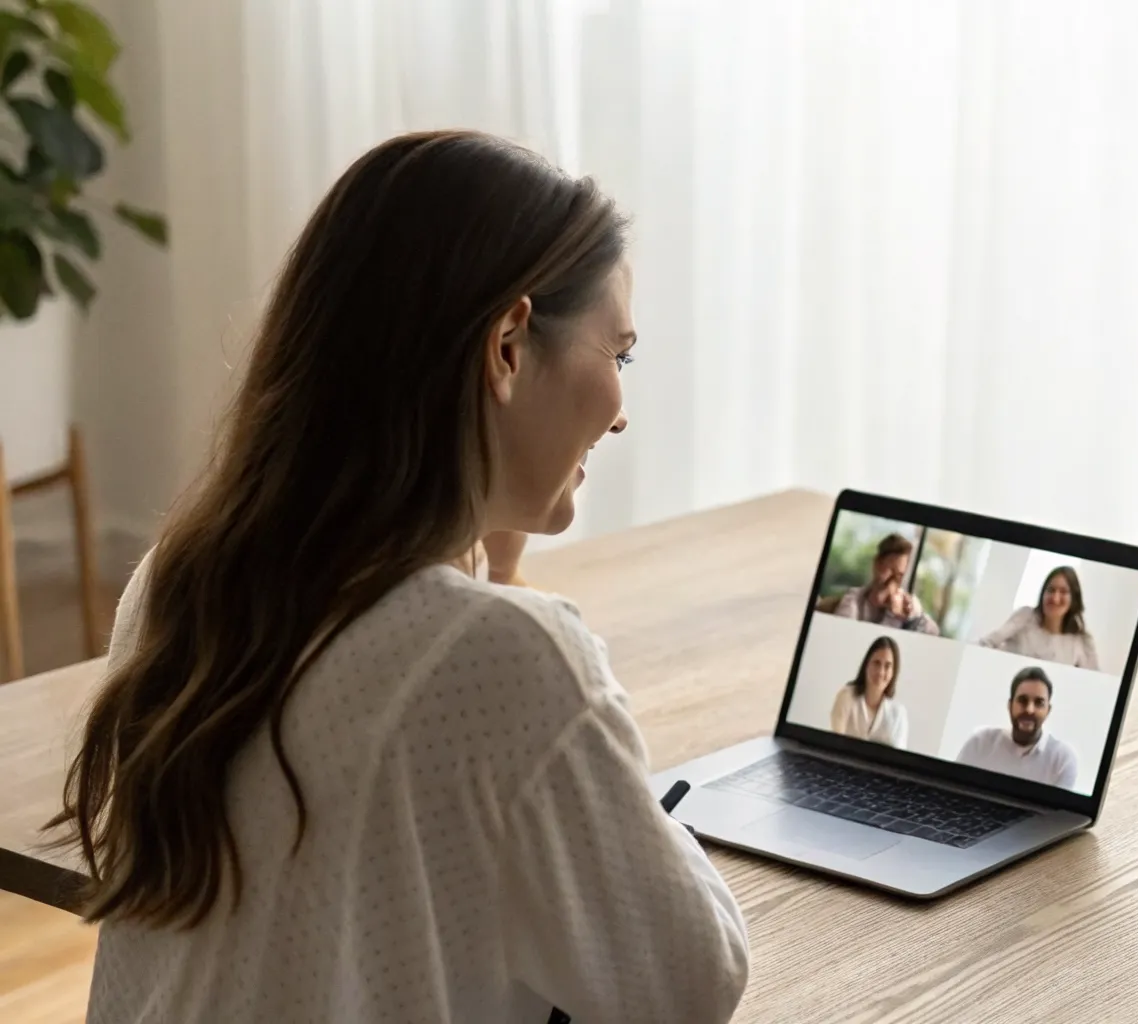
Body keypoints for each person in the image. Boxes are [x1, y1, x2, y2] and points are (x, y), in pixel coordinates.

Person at [46, 131, 749, 1023]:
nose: (619, 412)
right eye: (621, 354)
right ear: (507, 346)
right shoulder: (505, 656)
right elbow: (689, 983)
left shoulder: (176, 586)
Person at [953, 668, 1079, 789]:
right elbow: (954, 788)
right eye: (1022, 700)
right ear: (1010, 705)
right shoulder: (980, 742)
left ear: (1048, 710)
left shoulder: (1063, 759)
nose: (1029, 710)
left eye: (1039, 703)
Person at [978, 566, 1100, 670]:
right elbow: (985, 643)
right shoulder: (1025, 617)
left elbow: (1094, 682)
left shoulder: (1082, 641)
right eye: (1051, 590)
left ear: (1074, 598)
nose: (1055, 598)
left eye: (1063, 592)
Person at [825, 533, 938, 634]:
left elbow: (934, 632)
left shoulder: (908, 604)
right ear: (877, 563)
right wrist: (892, 617)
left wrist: (912, 617)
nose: (894, 580)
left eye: (900, 575)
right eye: (891, 570)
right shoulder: (853, 600)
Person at [830, 636, 910, 747]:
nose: (881, 672)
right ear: (866, 665)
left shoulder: (898, 713)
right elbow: (834, 744)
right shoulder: (846, 697)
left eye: (887, 666)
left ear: (893, 672)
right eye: (876, 663)